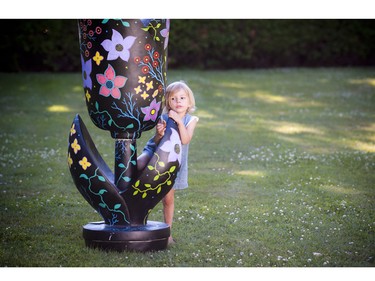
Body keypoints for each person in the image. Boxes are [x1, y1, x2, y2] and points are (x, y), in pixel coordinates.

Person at [137, 80, 199, 245]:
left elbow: (185, 140)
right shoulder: (163, 117)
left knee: (168, 199)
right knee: (136, 167)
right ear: (168, 102)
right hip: (154, 154)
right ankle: (135, 220)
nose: (178, 102)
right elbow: (157, 142)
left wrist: (178, 120)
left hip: (172, 163)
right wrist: (159, 133)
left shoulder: (190, 120)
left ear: (189, 102)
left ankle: (168, 233)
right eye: (173, 99)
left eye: (182, 98)